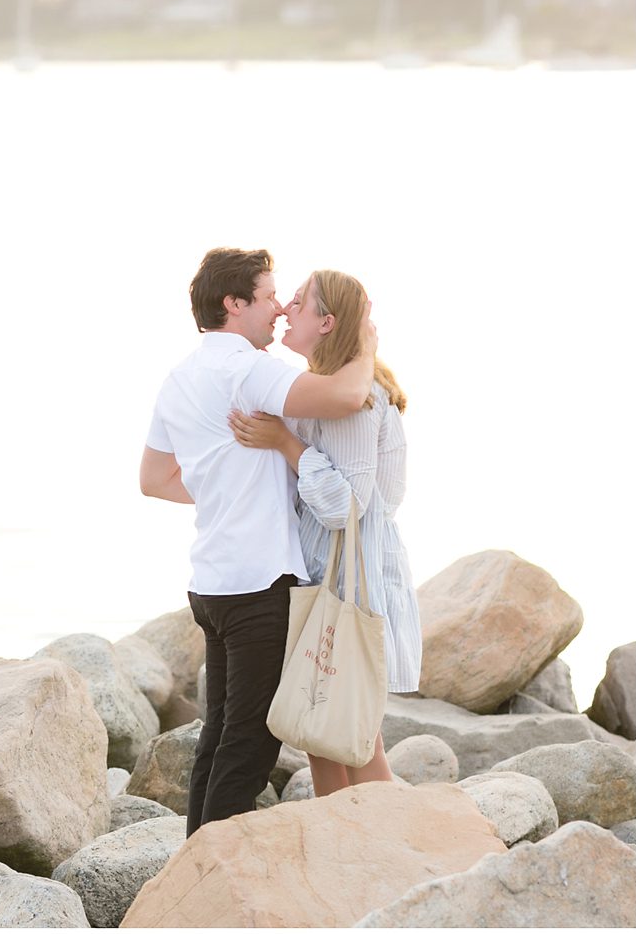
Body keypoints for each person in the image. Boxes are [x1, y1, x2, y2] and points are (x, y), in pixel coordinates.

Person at [138, 247, 377, 836]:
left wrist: (227, 486)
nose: (277, 309)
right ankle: (213, 880)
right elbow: (347, 396)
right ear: (234, 303)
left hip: (211, 586)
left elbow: (154, 480)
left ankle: (194, 866)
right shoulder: (247, 369)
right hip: (258, 588)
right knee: (248, 747)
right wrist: (368, 343)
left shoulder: (180, 377)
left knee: (218, 734)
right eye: (269, 296)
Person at [229, 269, 417, 796]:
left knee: (353, 732)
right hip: (326, 577)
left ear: (327, 322)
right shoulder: (328, 393)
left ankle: (393, 852)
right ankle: (348, 850)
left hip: (350, 583)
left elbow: (347, 508)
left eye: (297, 302)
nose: (286, 309)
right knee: (321, 729)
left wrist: (286, 445)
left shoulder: (357, 402)